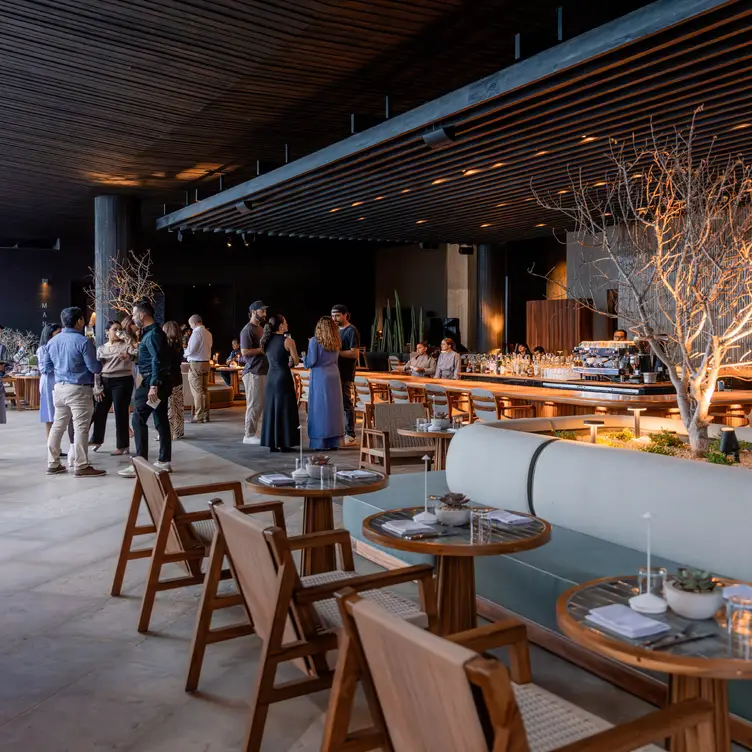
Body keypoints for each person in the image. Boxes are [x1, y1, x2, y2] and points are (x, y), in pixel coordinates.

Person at [41, 306, 105, 477]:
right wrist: (102, 362)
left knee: (58, 426)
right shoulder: (83, 341)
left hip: (59, 388)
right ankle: (81, 465)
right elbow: (94, 367)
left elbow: (46, 367)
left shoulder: (52, 342)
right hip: (79, 389)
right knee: (81, 428)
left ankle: (53, 463)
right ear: (79, 322)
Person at [119, 300, 172, 478]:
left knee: (138, 419)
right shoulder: (151, 333)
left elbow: (158, 361)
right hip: (155, 381)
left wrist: (153, 385)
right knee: (160, 420)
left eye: (134, 314)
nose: (133, 318)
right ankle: (164, 461)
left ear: (142, 314)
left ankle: (140, 464)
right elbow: (153, 359)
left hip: (152, 382)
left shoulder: (154, 334)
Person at [89, 320, 136, 455]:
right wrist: (97, 387)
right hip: (105, 380)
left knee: (120, 413)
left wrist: (127, 338)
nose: (117, 332)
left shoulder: (126, 345)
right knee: (99, 411)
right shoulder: (101, 348)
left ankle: (122, 446)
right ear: (107, 331)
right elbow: (97, 369)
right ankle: (97, 439)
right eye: (114, 329)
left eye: (120, 329)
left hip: (122, 381)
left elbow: (137, 352)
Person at [259, 313, 300, 452]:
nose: (287, 325)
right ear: (281, 326)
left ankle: (271, 442)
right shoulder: (288, 341)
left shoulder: (266, 340)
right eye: (286, 323)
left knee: (272, 408)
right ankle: (284, 443)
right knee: (284, 408)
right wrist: (290, 360)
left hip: (271, 376)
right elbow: (296, 360)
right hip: (283, 376)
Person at [305, 317, 344, 450]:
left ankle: (320, 441)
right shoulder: (336, 341)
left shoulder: (315, 341)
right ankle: (334, 442)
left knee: (319, 408)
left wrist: (304, 360)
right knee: (334, 409)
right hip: (334, 374)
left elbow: (312, 361)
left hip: (320, 376)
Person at [38, 323, 74, 452]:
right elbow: (44, 368)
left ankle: (55, 447)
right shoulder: (43, 349)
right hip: (49, 381)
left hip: (59, 380)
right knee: (49, 415)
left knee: (60, 415)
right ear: (50, 334)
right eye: (57, 333)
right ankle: (52, 448)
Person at [240, 301, 269, 445]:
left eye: (265, 311)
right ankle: (249, 434)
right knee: (254, 404)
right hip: (253, 371)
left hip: (262, 370)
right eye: (262, 311)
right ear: (253, 312)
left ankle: (253, 433)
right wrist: (262, 350)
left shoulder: (261, 329)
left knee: (260, 404)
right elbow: (244, 352)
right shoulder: (247, 330)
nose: (264, 313)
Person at [331, 304, 360, 447]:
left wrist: (337, 353)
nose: (334, 318)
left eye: (337, 315)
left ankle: (351, 434)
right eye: (332, 315)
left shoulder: (351, 330)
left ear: (345, 315)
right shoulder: (335, 330)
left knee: (346, 403)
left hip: (346, 372)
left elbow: (355, 353)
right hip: (334, 371)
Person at [184, 314, 213, 423]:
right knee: (205, 390)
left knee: (197, 391)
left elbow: (191, 350)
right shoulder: (208, 333)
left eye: (190, 324)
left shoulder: (196, 333)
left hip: (196, 364)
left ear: (194, 323)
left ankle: (198, 415)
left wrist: (185, 353)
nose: (190, 327)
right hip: (206, 363)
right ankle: (206, 415)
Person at [163, 321, 186, 441]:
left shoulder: (167, 347)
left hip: (170, 379)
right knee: (178, 406)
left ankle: (169, 433)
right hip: (178, 378)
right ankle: (179, 431)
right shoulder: (179, 346)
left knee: (170, 407)